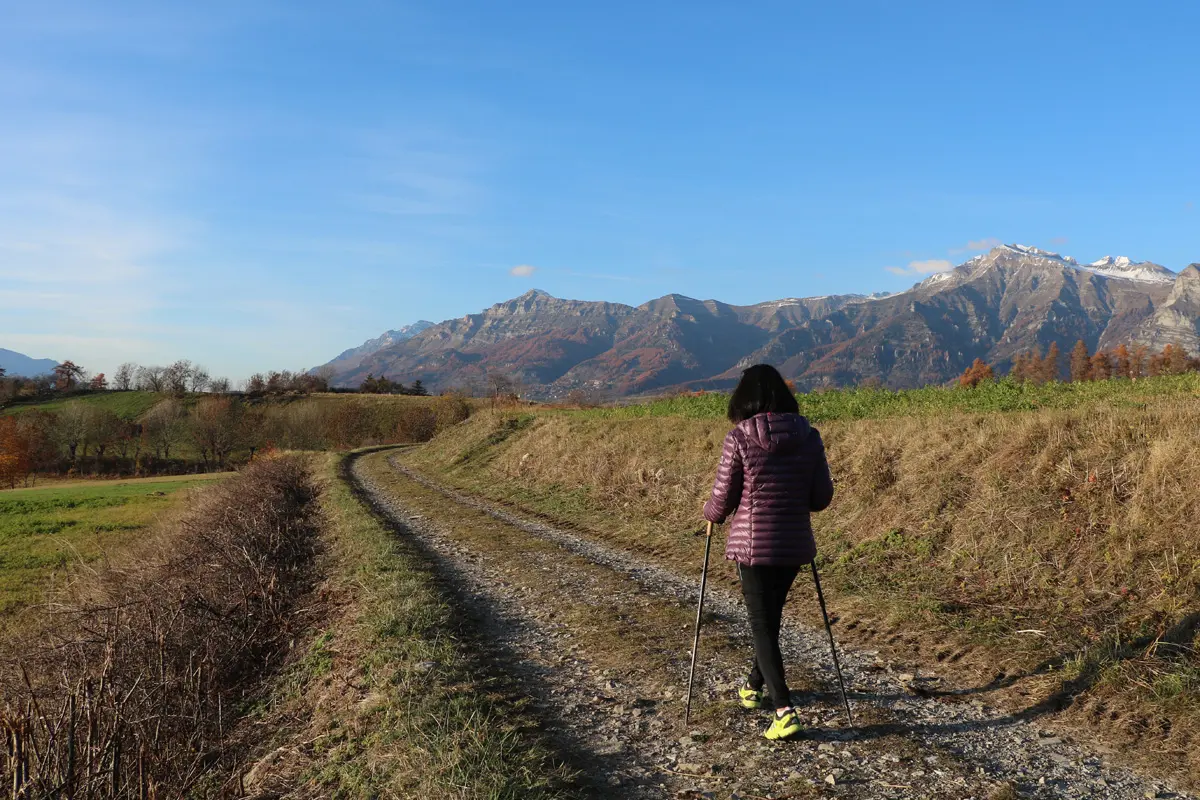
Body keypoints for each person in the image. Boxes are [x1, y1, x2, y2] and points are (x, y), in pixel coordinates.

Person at [702, 364, 835, 741]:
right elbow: (821, 498)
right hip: (794, 545)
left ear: (744, 397)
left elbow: (724, 494)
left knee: (762, 624)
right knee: (770, 618)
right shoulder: (810, 436)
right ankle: (752, 686)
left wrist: (710, 515)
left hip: (752, 544)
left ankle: (783, 710)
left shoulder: (740, 437)